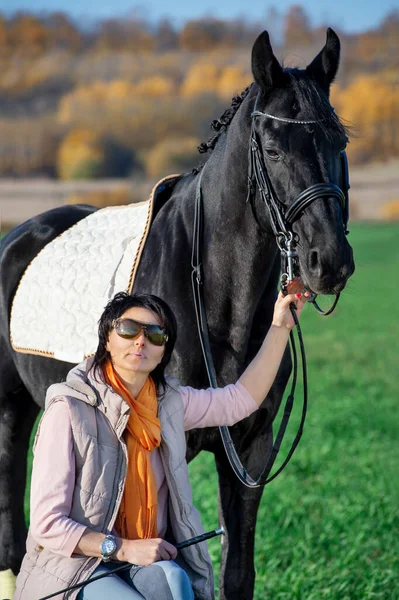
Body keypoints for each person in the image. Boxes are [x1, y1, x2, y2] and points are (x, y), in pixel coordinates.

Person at [14, 286, 309, 600]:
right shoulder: (69, 409)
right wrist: (123, 548)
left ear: (164, 350)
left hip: (143, 553)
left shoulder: (168, 402)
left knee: (175, 582)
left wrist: (280, 327)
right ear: (107, 340)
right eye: (128, 330)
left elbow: (238, 401)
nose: (141, 340)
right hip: (73, 564)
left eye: (155, 334)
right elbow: (47, 524)